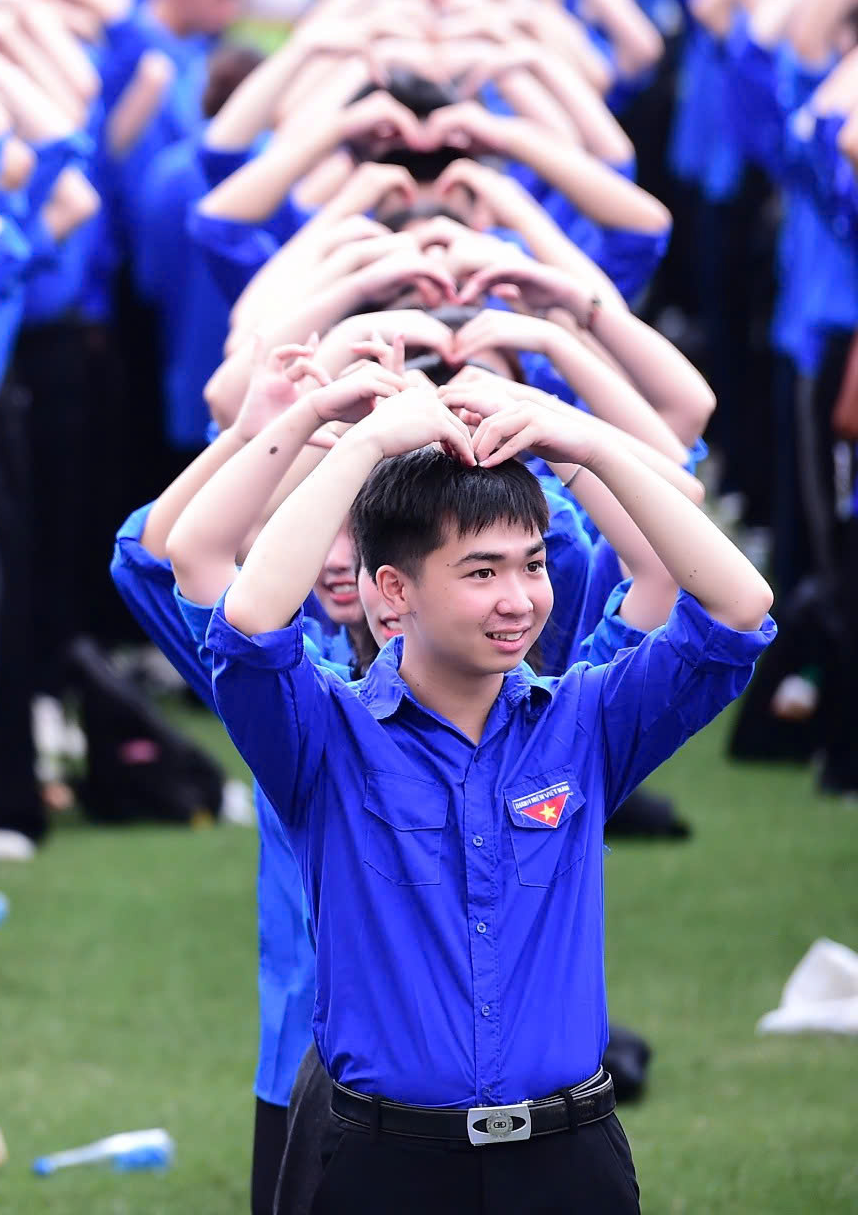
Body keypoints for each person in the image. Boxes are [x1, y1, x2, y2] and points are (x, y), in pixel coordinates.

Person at [204, 386, 775, 1213]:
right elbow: (251, 623)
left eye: (532, 564)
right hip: (380, 1165)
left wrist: (591, 447)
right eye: (482, 571)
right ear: (394, 591)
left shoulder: (587, 721)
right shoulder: (326, 735)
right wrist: (363, 446)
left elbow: (739, 608)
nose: (519, 598)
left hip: (570, 1161)